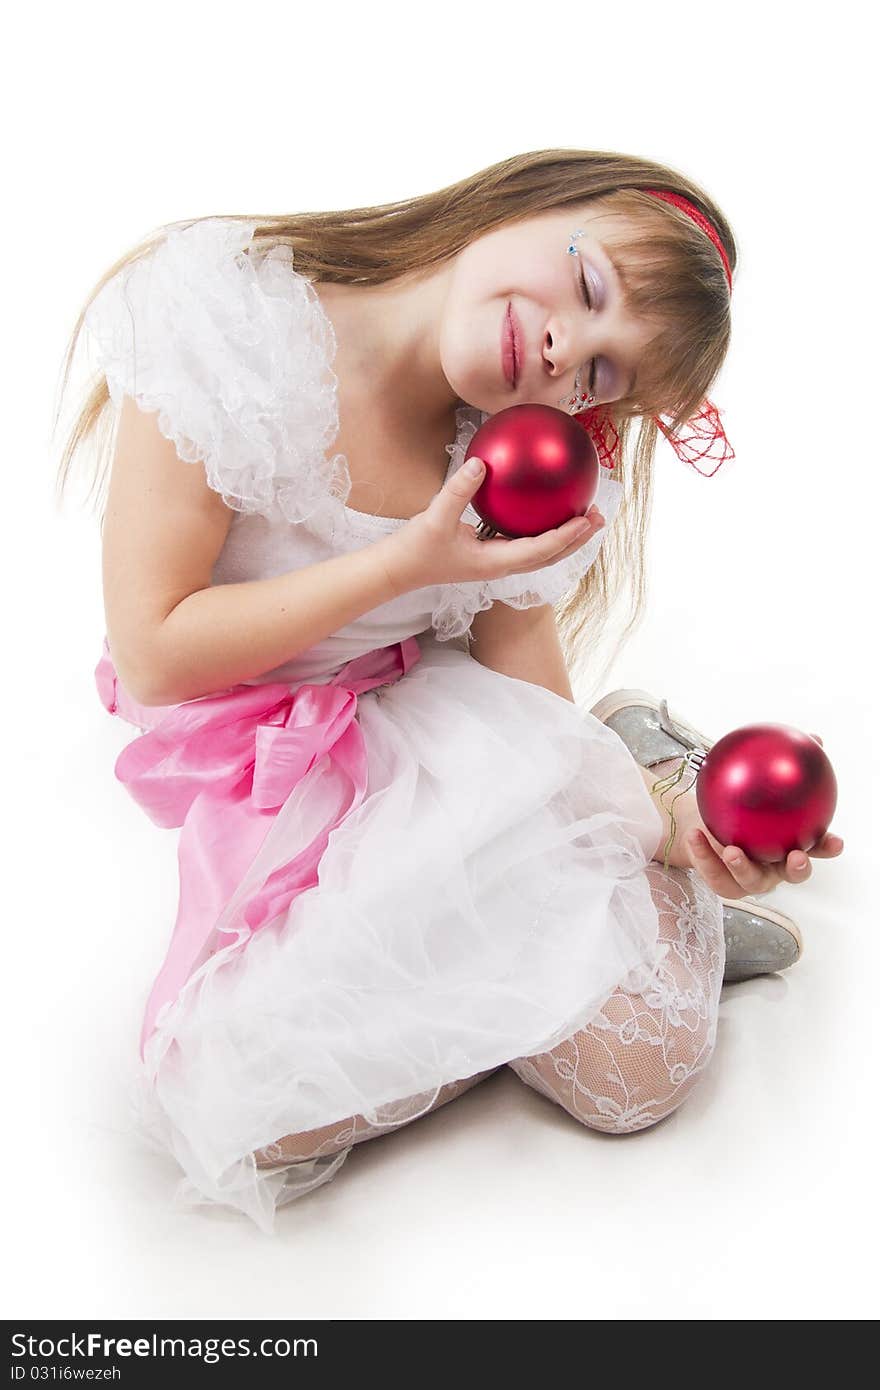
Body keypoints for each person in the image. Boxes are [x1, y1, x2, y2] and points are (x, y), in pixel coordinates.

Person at [55, 149, 843, 1236]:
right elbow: (156, 651)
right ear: (533, 196)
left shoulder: (519, 459)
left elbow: (526, 704)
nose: (569, 353)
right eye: (591, 287)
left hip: (437, 728)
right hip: (274, 748)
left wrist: (676, 835)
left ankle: (650, 830)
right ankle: (580, 917)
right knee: (231, 1105)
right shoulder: (228, 319)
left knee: (644, 1072)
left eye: (600, 376)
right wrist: (406, 565)